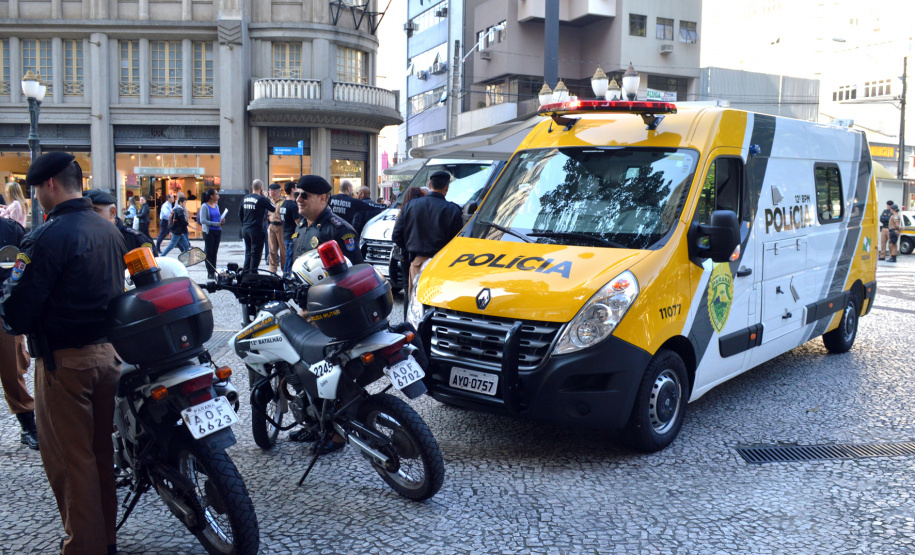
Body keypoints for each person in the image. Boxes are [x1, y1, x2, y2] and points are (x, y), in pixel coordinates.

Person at [0, 151, 126, 555]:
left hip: (65, 363)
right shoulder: (107, 228)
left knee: (72, 462)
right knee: (101, 453)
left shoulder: (46, 236)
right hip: (108, 356)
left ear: (49, 185)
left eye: (36, 189)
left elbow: (17, 311)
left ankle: (85, 547)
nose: (36, 196)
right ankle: (106, 537)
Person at [392, 170, 463, 295]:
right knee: (438, 304)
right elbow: (457, 243)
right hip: (441, 264)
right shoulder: (453, 209)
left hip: (417, 262)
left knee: (415, 304)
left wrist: (410, 248)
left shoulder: (410, 206)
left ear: (430, 185)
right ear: (447, 188)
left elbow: (396, 235)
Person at [0, 215, 37, 450]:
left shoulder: (10, 229)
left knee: (12, 368)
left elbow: (27, 266)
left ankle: (28, 426)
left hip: (2, 308)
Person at [291, 175, 364, 266]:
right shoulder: (301, 226)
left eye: (304, 196)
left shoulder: (339, 230)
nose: (298, 199)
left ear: (322, 199)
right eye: (296, 195)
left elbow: (356, 270)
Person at [85, 189, 160, 256]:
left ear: (112, 212)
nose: (88, 216)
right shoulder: (83, 238)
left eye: (95, 211)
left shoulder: (134, 240)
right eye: (85, 212)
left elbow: (149, 270)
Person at [395, 187, 425, 317]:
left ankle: (406, 320)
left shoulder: (402, 211)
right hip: (415, 254)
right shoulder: (420, 211)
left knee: (408, 289)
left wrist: (406, 246)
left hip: (405, 255)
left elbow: (396, 235)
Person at [238, 179, 274, 272]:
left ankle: (245, 273)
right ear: (261, 188)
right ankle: (253, 273)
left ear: (252, 187)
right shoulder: (261, 199)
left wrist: (244, 224)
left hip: (246, 229)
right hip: (257, 230)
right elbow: (273, 208)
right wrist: (266, 197)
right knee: (256, 253)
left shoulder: (244, 198)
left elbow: (240, 214)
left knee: (248, 252)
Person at [198, 188, 225, 279]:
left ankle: (213, 269)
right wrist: (215, 224)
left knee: (215, 252)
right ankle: (209, 271)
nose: (218, 196)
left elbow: (217, 218)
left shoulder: (216, 206)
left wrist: (221, 220)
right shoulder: (204, 206)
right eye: (216, 194)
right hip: (209, 232)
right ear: (211, 196)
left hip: (217, 231)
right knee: (209, 252)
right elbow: (203, 220)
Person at [281, 181, 301, 277]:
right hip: (292, 235)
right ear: (293, 189)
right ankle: (287, 277)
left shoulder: (283, 204)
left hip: (285, 233)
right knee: (290, 258)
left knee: (288, 257)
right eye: (296, 187)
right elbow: (297, 222)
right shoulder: (293, 205)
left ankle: (286, 275)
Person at [266, 182, 286, 274]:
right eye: (269, 190)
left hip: (281, 226)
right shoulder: (269, 200)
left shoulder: (284, 200)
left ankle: (284, 269)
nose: (269, 192)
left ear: (276, 191)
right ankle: (272, 270)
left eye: (271, 191)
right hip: (271, 226)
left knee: (283, 250)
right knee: (272, 250)